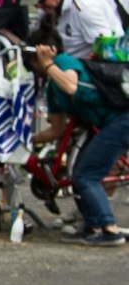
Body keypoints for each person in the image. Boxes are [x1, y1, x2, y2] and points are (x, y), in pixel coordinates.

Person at [27, 39, 128, 245]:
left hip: (122, 119)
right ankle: (92, 227)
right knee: (79, 174)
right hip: (106, 124)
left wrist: (48, 64)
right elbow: (57, 129)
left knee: (87, 175)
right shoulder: (51, 88)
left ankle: (109, 230)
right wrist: (26, 141)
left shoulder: (64, 62)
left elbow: (71, 86)